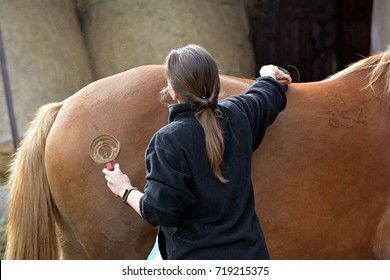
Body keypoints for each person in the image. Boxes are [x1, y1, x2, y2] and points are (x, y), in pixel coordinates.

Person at [103, 44, 291, 260]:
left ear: (173, 92)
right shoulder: (240, 114)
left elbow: (159, 211)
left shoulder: (168, 140)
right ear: (217, 86)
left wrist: (125, 189)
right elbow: (265, 96)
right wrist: (268, 74)